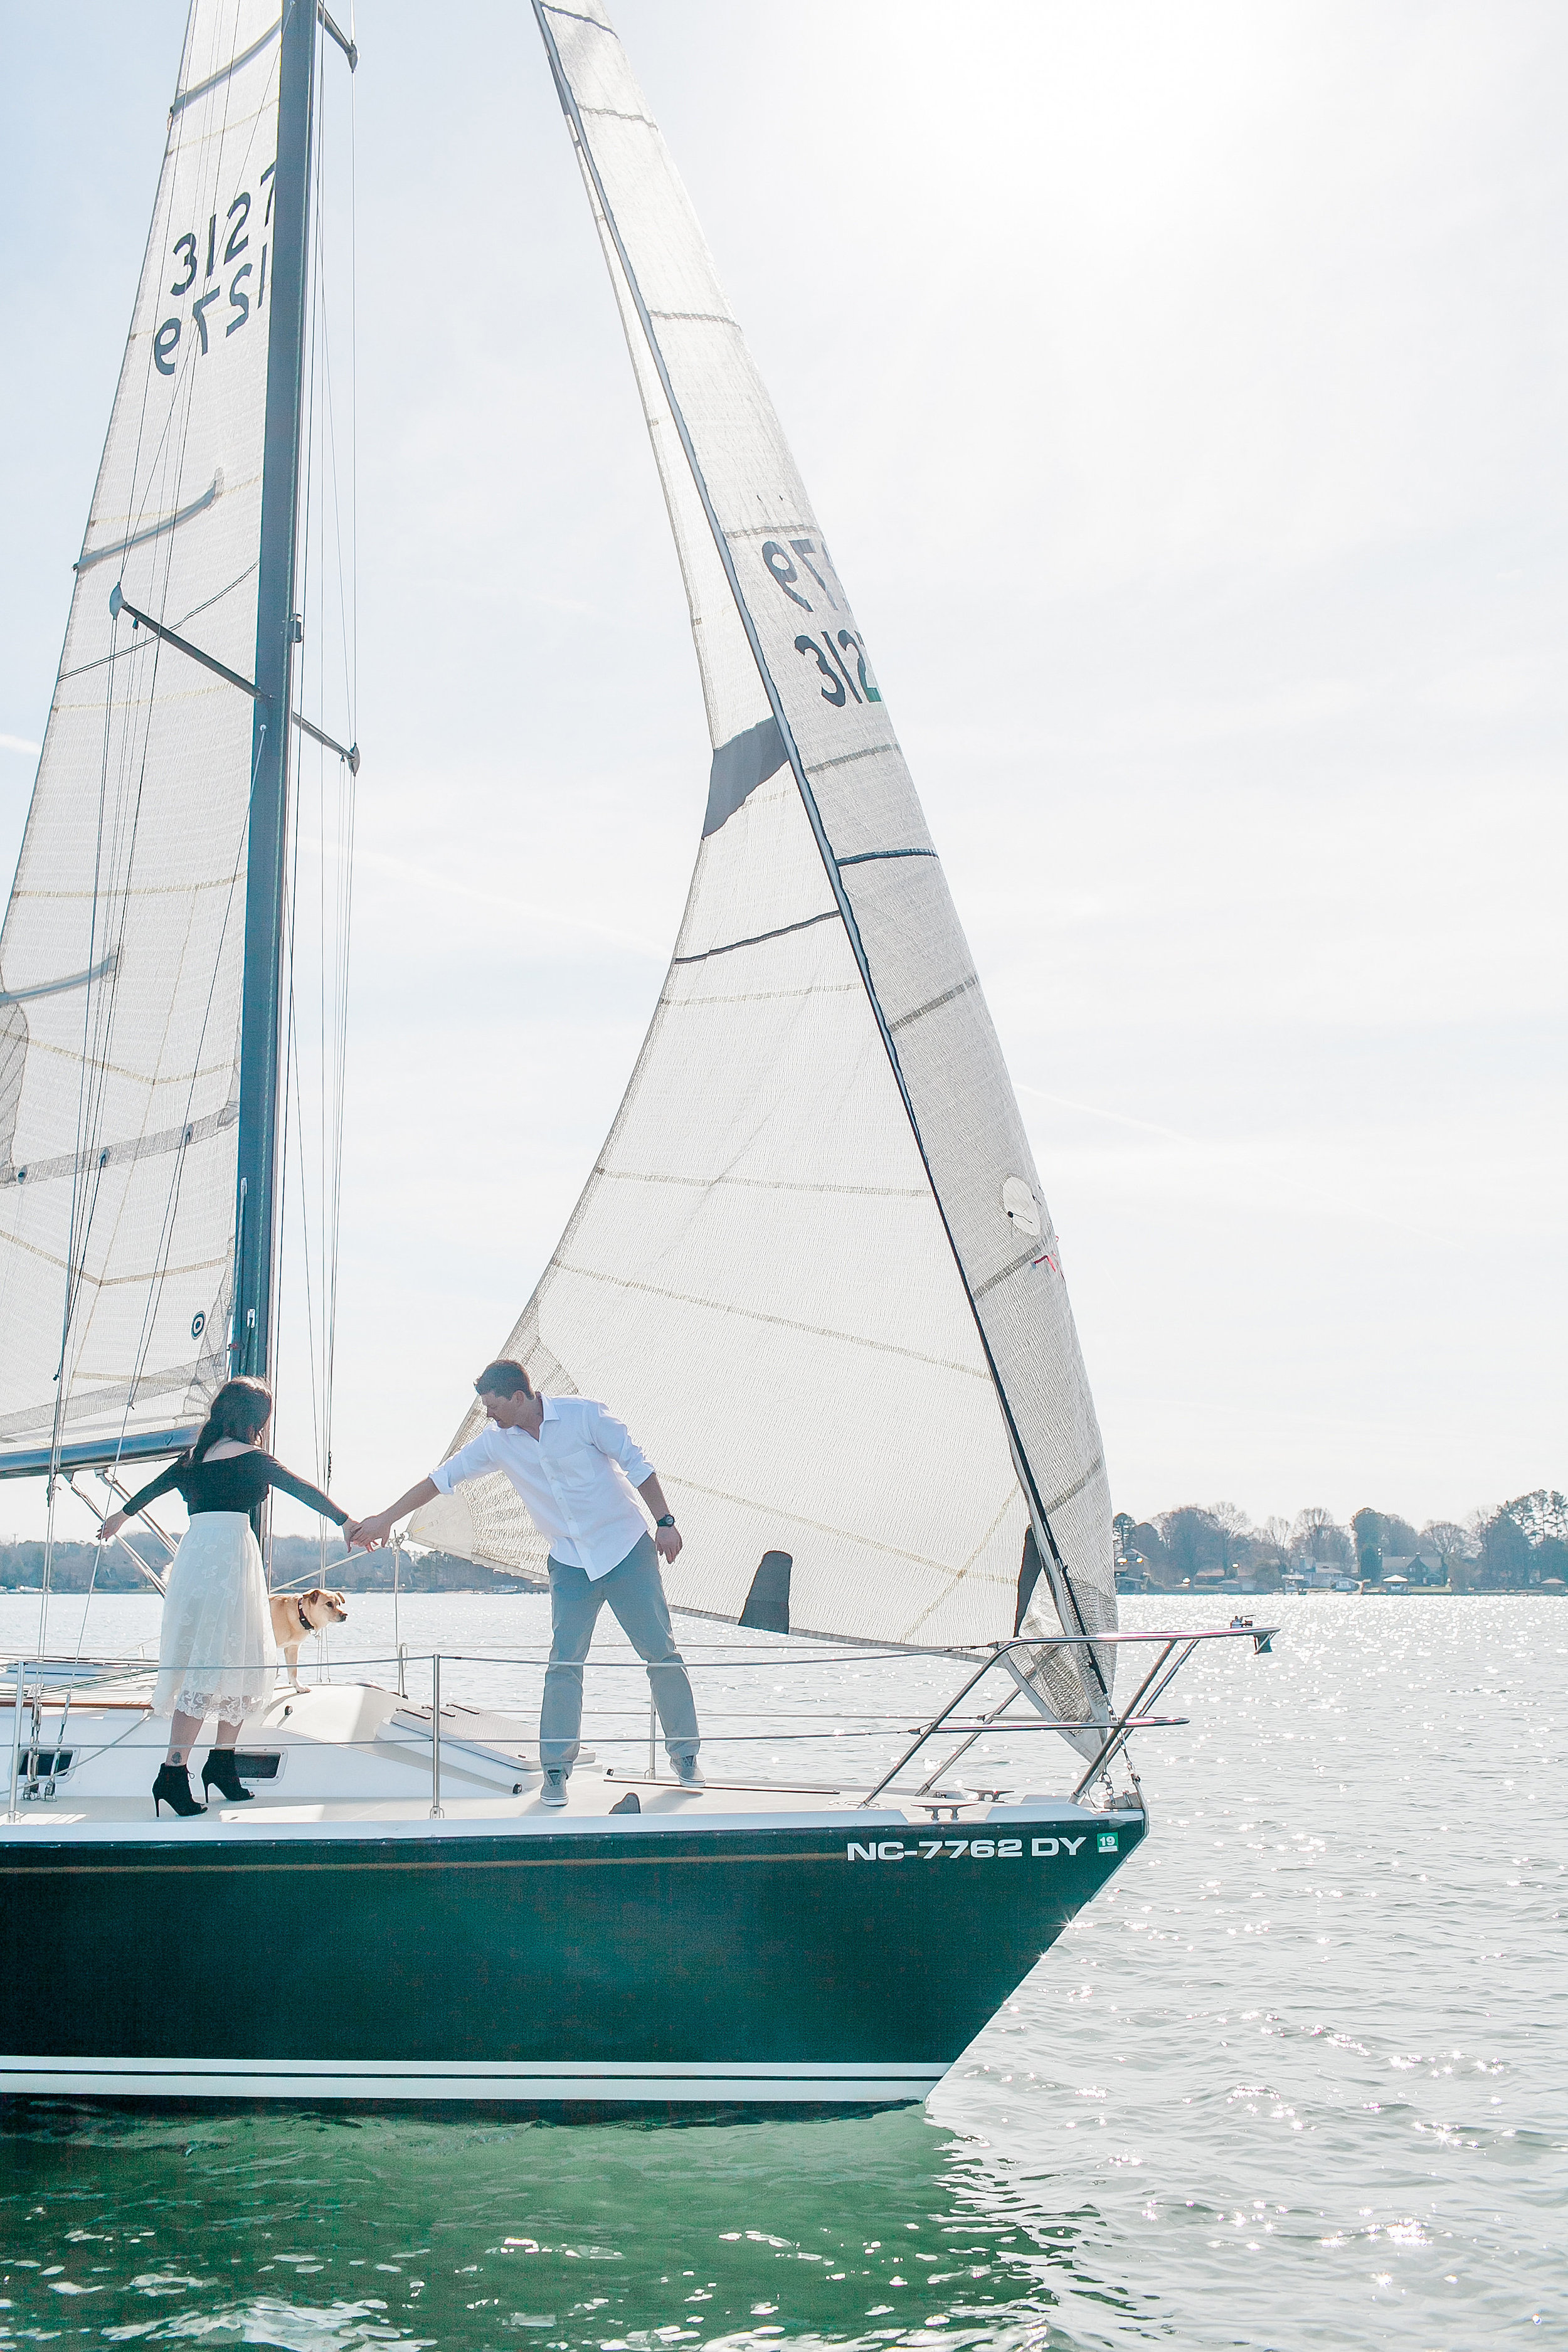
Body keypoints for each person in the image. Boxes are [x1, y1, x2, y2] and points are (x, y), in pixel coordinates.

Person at [347, 1360, 701, 1805]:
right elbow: (439, 1480)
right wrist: (383, 1519)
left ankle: (686, 1757)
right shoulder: (496, 1444)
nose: (488, 1416)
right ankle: (555, 1772)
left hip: (627, 1548)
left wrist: (665, 1522)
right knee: (564, 1664)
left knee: (661, 1653)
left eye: (493, 1406)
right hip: (571, 1563)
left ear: (518, 1397)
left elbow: (637, 1464)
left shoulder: (584, 1415)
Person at [99, 1376, 353, 1819]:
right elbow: (303, 1491)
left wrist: (119, 1518)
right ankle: (173, 1772)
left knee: (231, 1658)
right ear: (256, 1419)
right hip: (231, 1558)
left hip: (197, 1558)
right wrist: (347, 1522)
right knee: (218, 1661)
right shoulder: (254, 1460)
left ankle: (221, 1765)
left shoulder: (193, 1460)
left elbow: (149, 1492)